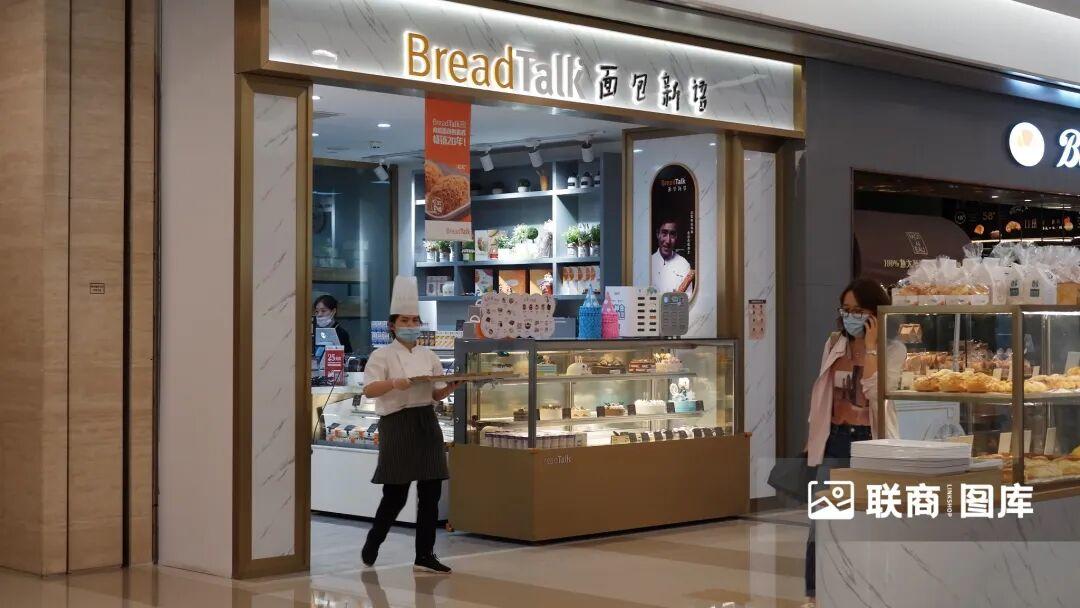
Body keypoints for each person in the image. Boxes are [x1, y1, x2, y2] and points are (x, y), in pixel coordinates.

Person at [803, 278, 903, 606]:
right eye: (845, 310)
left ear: (876, 313)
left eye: (858, 311)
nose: (850, 317)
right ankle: (816, 595)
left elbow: (877, 393)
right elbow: (823, 394)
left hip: (869, 441)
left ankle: (868, 592)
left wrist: (871, 347)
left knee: (869, 519)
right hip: (834, 439)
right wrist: (813, 437)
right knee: (822, 521)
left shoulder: (894, 350)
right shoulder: (834, 343)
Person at [361, 276, 458, 574]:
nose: (411, 325)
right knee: (396, 494)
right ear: (392, 325)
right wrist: (394, 383)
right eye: (405, 320)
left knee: (431, 492)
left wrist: (451, 386)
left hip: (427, 421)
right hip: (396, 424)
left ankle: (425, 554)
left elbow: (435, 393)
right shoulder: (381, 355)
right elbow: (369, 390)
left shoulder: (429, 355)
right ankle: (374, 541)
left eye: (415, 320)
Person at [650, 219, 694, 297]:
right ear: (657, 234)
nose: (668, 241)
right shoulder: (648, 263)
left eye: (672, 234)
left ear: (676, 236)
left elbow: (688, 298)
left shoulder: (684, 264)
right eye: (664, 233)